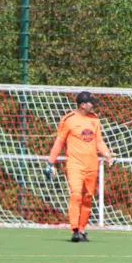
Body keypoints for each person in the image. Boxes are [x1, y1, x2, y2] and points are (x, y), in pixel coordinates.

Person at [45, 91, 116, 242]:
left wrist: (107, 154)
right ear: (83, 105)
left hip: (92, 165)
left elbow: (99, 141)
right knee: (76, 194)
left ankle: (82, 229)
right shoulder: (68, 119)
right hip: (75, 165)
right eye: (91, 103)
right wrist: (50, 162)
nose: (94, 105)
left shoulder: (94, 119)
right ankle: (75, 229)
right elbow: (59, 142)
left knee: (88, 198)